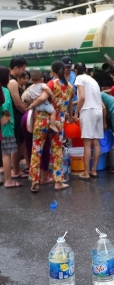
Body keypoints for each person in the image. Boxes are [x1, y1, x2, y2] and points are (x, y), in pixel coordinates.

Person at [27, 61, 73, 192]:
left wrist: (32, 105)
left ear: (53, 72)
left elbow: (42, 98)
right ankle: (58, 182)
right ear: (64, 71)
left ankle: (35, 180)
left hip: (42, 120)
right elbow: (70, 104)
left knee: (37, 149)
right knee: (57, 152)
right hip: (58, 122)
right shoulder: (69, 87)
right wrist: (70, 116)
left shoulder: (51, 84)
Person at [74, 63, 105, 180]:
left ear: (76, 70)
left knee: (87, 144)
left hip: (88, 111)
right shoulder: (93, 80)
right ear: (86, 69)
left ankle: (86, 173)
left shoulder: (79, 78)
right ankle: (94, 171)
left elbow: (82, 97)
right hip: (98, 111)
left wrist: (76, 112)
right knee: (96, 142)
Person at [1, 66, 23, 188]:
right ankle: (8, 181)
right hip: (6, 126)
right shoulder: (4, 90)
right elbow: (5, 103)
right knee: (6, 153)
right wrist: (7, 114)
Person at [7, 56, 29, 179]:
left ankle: (16, 169)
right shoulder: (13, 82)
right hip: (16, 115)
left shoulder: (10, 80)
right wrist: (26, 112)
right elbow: (17, 102)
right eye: (22, 69)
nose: (22, 72)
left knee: (20, 143)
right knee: (18, 144)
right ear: (15, 68)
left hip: (15, 115)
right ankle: (15, 170)